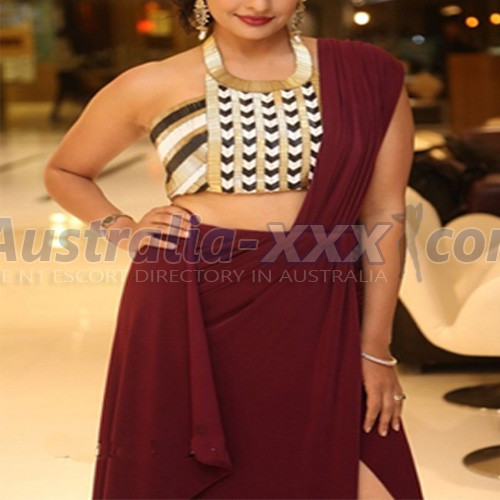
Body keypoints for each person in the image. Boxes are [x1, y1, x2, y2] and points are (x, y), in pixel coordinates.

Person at [44, 1, 424, 499]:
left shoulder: (368, 74)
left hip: (320, 299)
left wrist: (375, 348)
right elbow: (66, 171)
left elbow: (384, 215)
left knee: (370, 473)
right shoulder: (149, 83)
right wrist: (124, 229)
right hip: (191, 300)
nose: (258, 5)